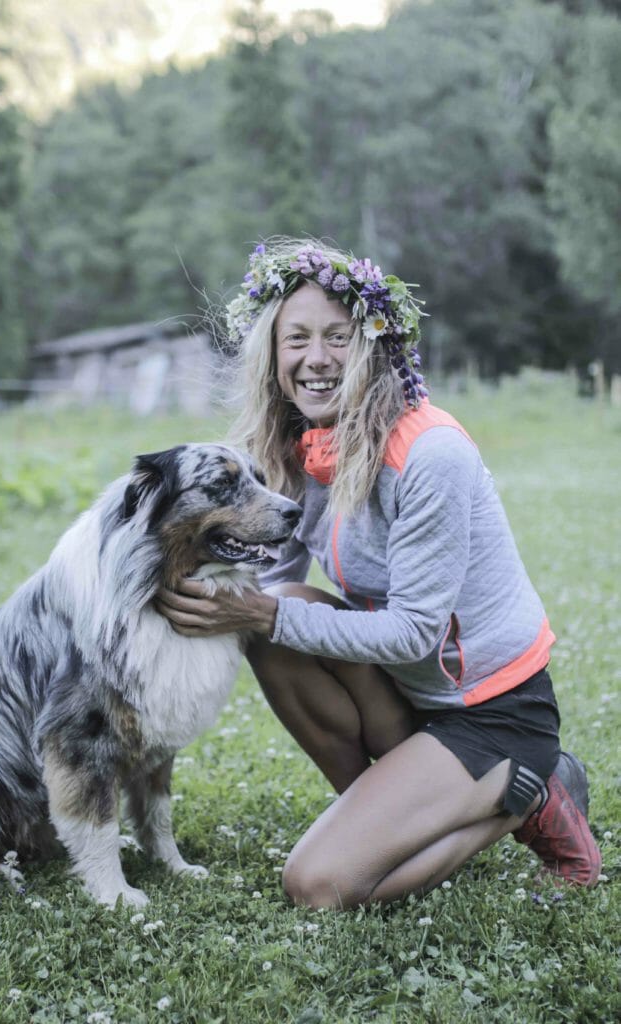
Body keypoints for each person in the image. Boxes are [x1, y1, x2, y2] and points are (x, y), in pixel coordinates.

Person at [155, 238, 601, 910]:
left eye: (337, 336)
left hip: (490, 712)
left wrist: (262, 612)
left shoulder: (429, 452)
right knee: (277, 606)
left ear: (373, 344)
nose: (315, 359)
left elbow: (415, 634)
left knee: (319, 887)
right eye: (296, 338)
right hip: (406, 696)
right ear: (271, 353)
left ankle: (527, 790)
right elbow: (268, 584)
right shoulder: (290, 446)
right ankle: (393, 812)